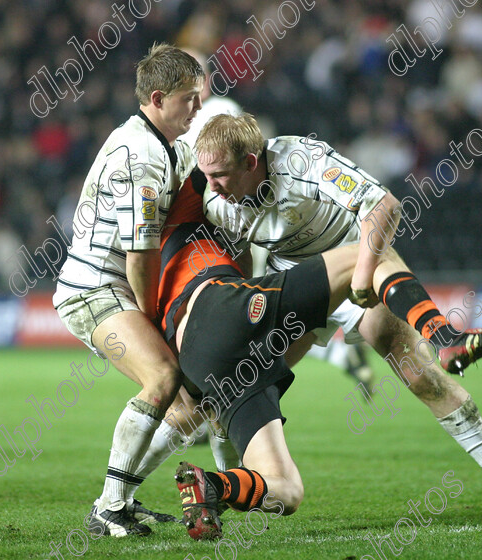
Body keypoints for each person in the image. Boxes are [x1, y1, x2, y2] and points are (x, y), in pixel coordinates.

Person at [192, 113, 482, 526]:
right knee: (234, 388)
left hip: (353, 263)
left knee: (422, 378)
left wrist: (360, 275)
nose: (212, 186)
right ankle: (212, 490)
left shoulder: (298, 161)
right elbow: (235, 261)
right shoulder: (217, 205)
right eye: (207, 175)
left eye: (219, 174)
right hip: (294, 288)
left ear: (251, 162)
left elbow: (383, 204)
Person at [154, 167, 364, 540]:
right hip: (225, 309)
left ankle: (212, 486)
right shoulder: (187, 208)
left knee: (286, 491)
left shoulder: (237, 223)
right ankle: (434, 330)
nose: (223, 187)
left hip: (233, 361)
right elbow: (211, 168)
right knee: (367, 252)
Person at [52, 43, 205, 537]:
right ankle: (108, 507)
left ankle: (119, 498)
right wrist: (159, 316)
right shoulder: (139, 156)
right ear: (158, 98)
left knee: (191, 410)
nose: (197, 108)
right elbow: (140, 255)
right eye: (189, 100)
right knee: (162, 378)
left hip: (116, 284)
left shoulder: (166, 145)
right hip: (93, 289)